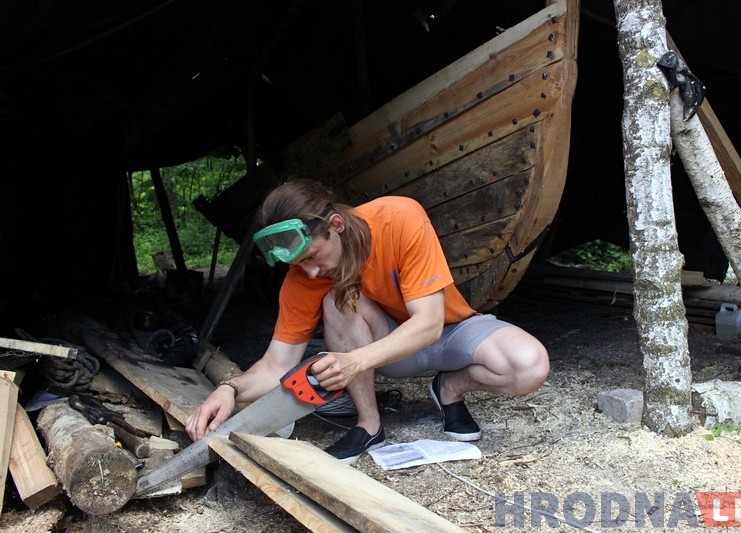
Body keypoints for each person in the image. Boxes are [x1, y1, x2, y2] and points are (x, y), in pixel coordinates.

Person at [185, 178, 549, 464]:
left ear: (337, 224)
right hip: (390, 349)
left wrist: (354, 361)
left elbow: (430, 323)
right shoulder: (302, 276)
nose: (309, 272)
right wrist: (229, 390)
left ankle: (449, 389)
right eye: (298, 265)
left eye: (313, 255)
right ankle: (369, 424)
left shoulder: (398, 217)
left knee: (530, 366)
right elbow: (276, 364)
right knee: (336, 301)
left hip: (448, 329)